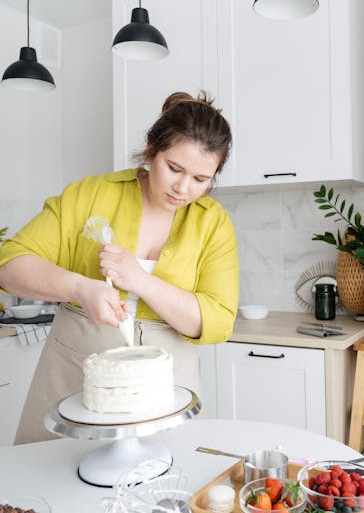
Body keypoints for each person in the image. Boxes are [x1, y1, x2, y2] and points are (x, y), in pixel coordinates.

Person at [0, 91, 239, 444]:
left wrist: (140, 280)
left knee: (161, 485)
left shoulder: (213, 223)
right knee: (48, 484)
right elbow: (10, 265)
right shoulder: (91, 194)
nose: (183, 188)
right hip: (74, 367)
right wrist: (81, 287)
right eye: (174, 168)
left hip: (167, 382)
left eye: (201, 179)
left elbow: (217, 322)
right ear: (150, 150)